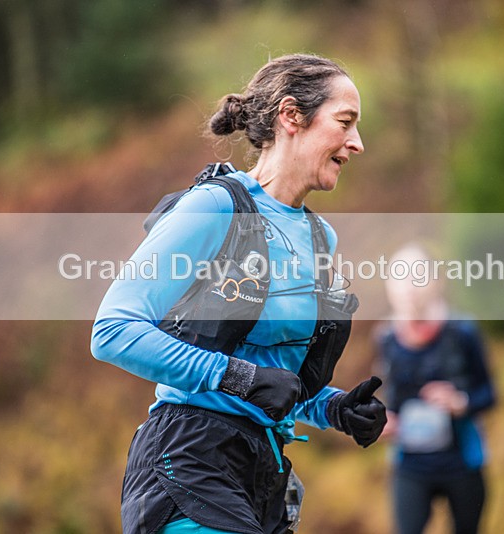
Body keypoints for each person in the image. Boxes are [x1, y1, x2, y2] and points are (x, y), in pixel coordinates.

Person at [91, 54, 387, 534]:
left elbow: (273, 379)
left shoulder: (320, 237)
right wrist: (237, 377)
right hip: (188, 459)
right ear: (292, 116)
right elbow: (113, 331)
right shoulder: (216, 206)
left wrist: (330, 407)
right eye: (345, 122)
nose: (357, 142)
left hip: (265, 470)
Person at [377, 244, 495, 534]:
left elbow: (490, 394)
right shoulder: (385, 338)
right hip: (410, 467)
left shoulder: (463, 332)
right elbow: (388, 402)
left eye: (418, 277)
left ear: (437, 281)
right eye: (400, 278)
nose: (410, 288)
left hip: (462, 464)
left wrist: (461, 403)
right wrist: (382, 422)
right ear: (389, 287)